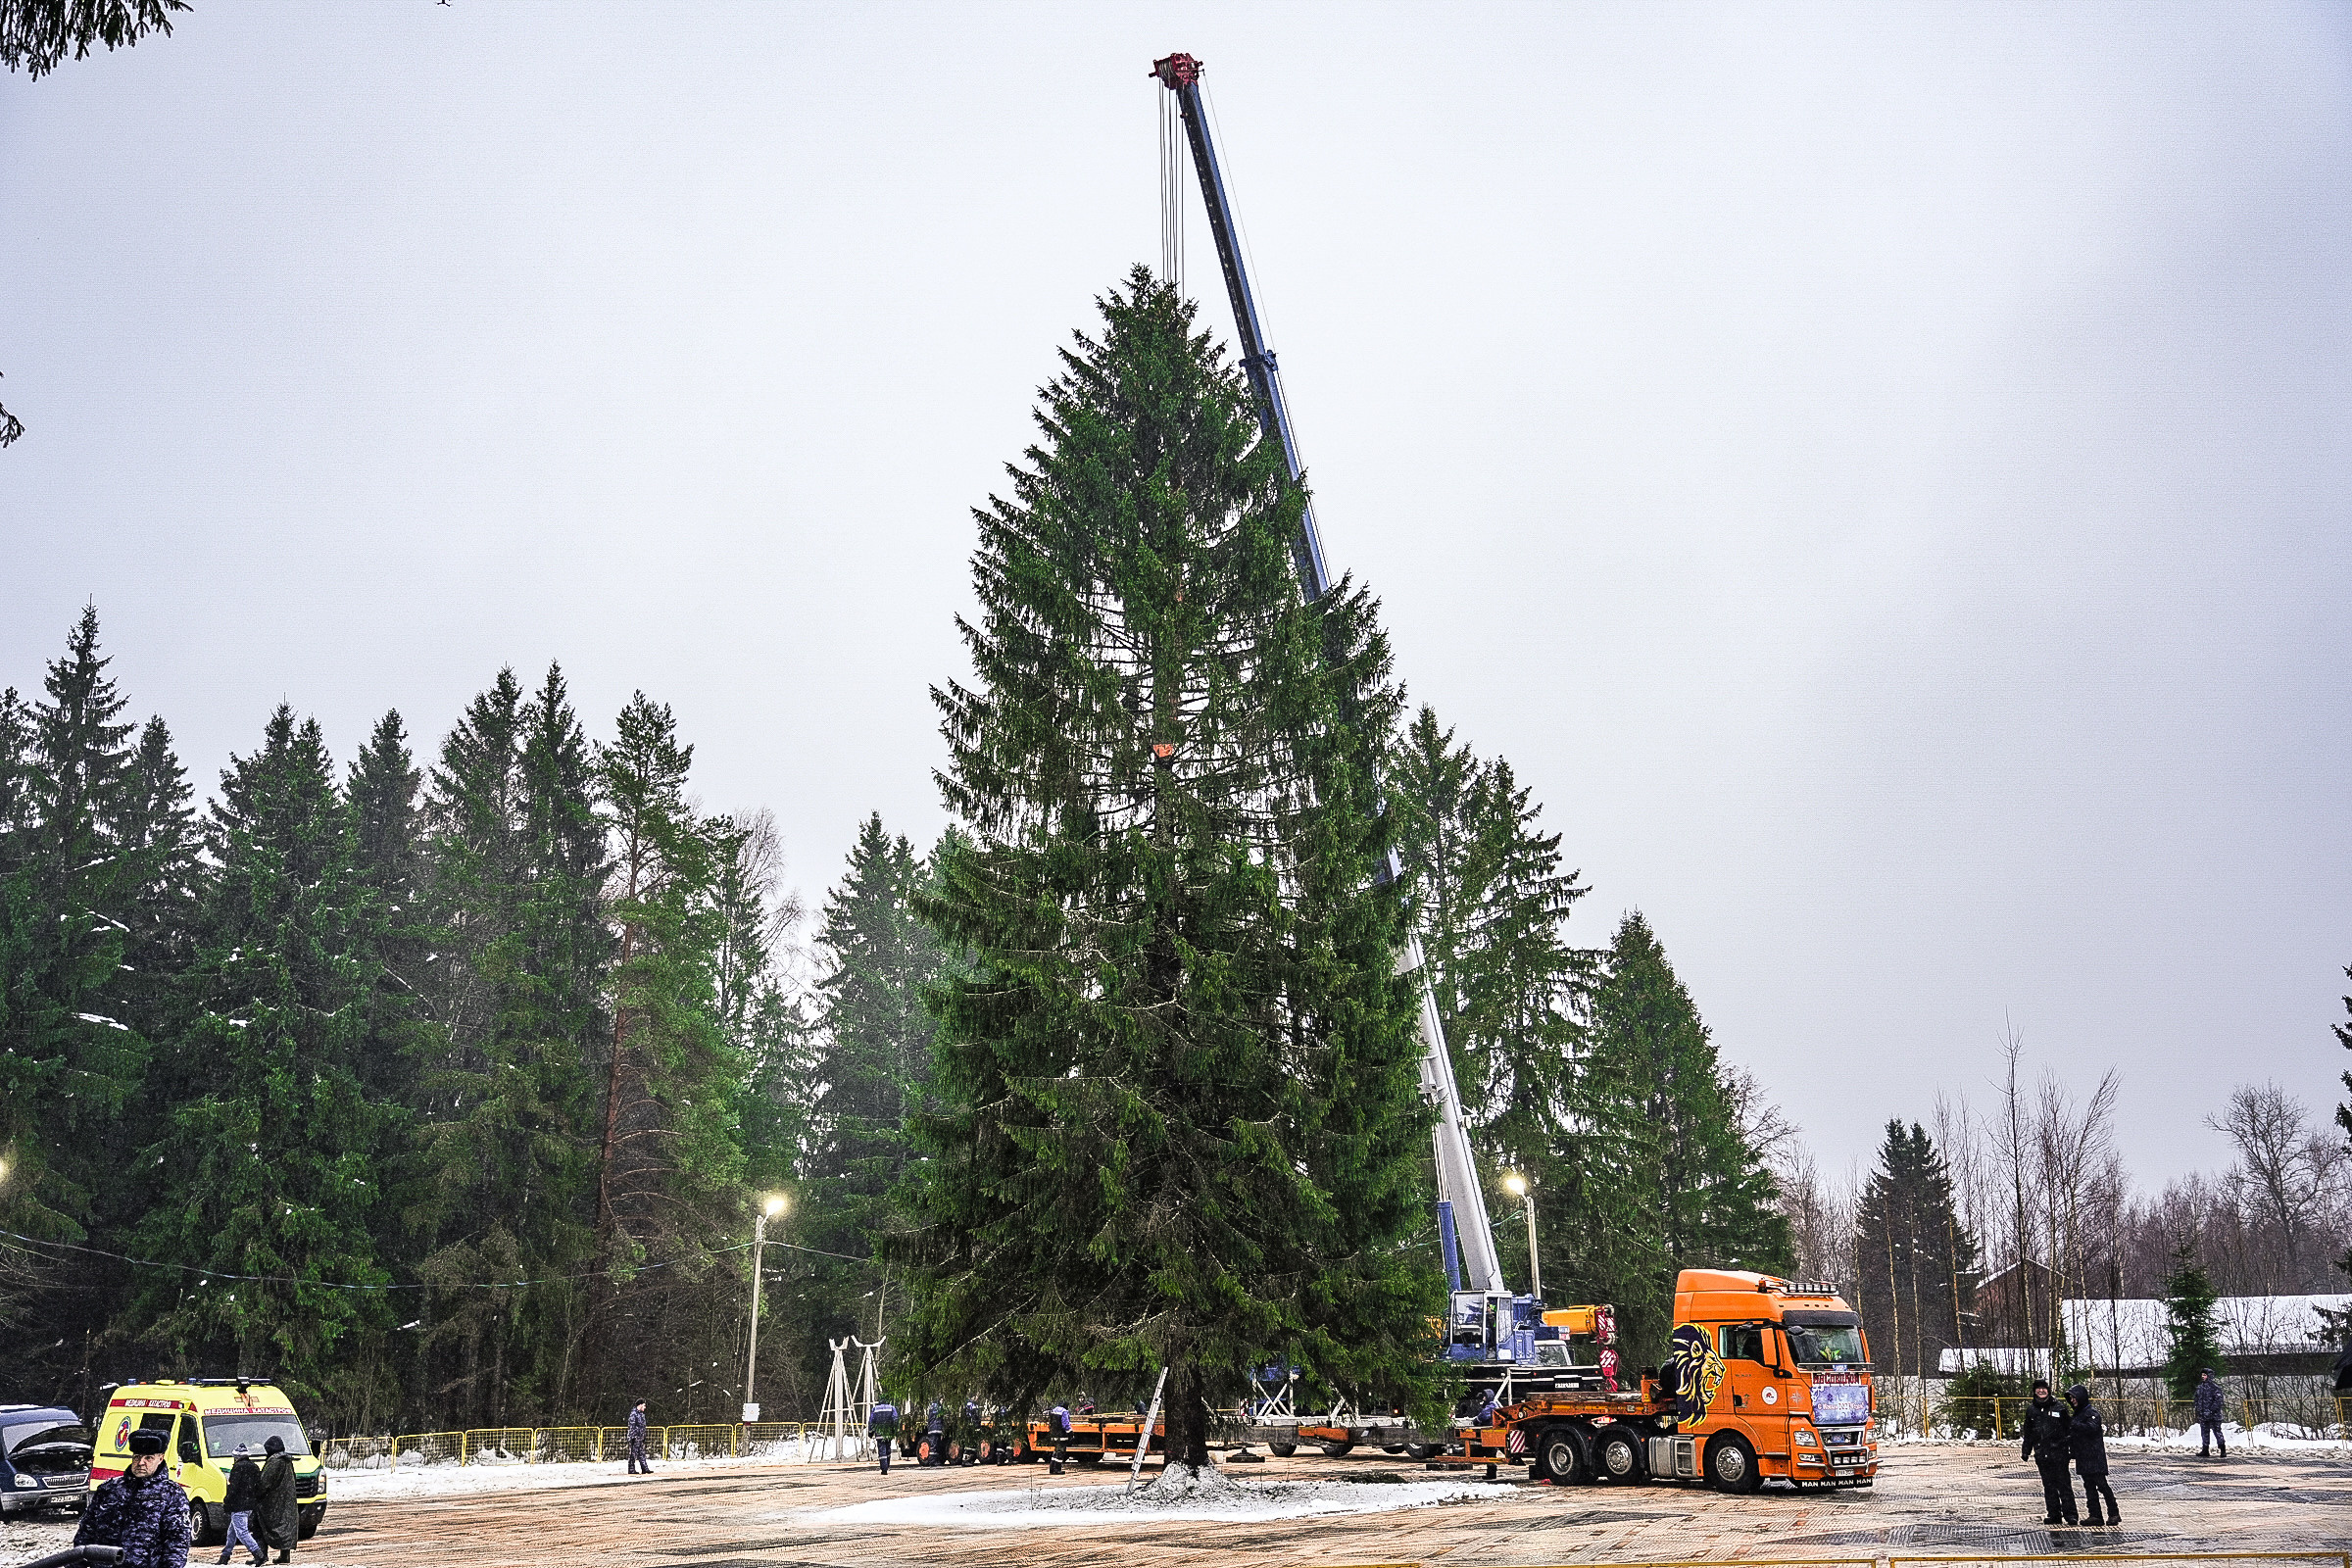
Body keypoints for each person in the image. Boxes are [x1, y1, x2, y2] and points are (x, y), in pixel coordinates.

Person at [75, 1426, 191, 1568]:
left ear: (160, 1459)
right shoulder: (109, 1489)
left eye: (148, 1458)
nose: (141, 1463)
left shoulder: (172, 1494)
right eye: (137, 1457)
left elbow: (177, 1542)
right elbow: (86, 1532)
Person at [2020, 1378, 2077, 1526]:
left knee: (2064, 1484)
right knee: (2049, 1486)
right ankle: (2054, 1514)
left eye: (2044, 1388)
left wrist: (2070, 1448)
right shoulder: (2031, 1410)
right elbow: (2028, 1432)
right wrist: (2026, 1450)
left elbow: (2069, 1429)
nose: (2041, 1391)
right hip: (2041, 1453)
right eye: (2038, 1388)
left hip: (2059, 1453)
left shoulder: (2059, 1408)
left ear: (2048, 1390)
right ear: (2034, 1391)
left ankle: (2070, 1515)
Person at [2065, 1384, 2119, 1527]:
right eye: (2070, 1398)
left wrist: (2073, 1425)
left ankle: (2113, 1513)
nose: (2072, 1400)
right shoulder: (2078, 1414)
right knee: (2089, 1486)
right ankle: (2095, 1515)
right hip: (2083, 1457)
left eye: (2074, 1397)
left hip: (2094, 1456)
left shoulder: (2091, 1413)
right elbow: (2074, 1435)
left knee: (2102, 1485)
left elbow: (2091, 1428)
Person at [218, 1444, 266, 1567]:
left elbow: (233, 1488)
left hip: (238, 1505)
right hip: (250, 1505)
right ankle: (225, 1556)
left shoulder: (238, 1468)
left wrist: (227, 1501)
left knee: (242, 1532)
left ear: (237, 1457)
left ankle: (258, 1554)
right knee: (232, 1532)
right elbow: (258, 1487)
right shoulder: (254, 1467)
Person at [254, 1435, 299, 1564]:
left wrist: (257, 1492)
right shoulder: (287, 1460)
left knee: (262, 1524)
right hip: (287, 1499)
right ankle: (285, 1555)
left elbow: (265, 1483)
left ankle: (261, 1554)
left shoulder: (274, 1461)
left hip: (273, 1501)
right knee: (286, 1526)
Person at [2193, 1368, 2227, 1458]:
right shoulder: (2200, 1388)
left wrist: (2211, 1410)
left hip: (2214, 1416)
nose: (2203, 1377)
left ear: (2209, 1376)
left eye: (2205, 1375)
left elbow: (2218, 1401)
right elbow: (2196, 1399)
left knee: (2217, 1432)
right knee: (2204, 1433)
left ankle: (2222, 1449)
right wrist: (2198, 1409)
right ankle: (2205, 1449)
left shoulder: (2215, 1388)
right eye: (2202, 1375)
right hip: (2203, 1415)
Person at [867, 1396, 899, 1474]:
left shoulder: (875, 1409)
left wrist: (870, 1432)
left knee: (882, 1452)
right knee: (888, 1450)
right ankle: (887, 1466)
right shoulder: (891, 1408)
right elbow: (895, 1419)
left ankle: (884, 1469)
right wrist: (894, 1430)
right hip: (888, 1433)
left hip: (879, 1433)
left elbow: (872, 1421)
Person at [626, 1399, 651, 1475]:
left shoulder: (641, 1414)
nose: (645, 1407)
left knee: (642, 1453)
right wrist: (633, 1436)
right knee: (633, 1454)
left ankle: (644, 1468)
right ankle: (631, 1469)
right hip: (635, 1437)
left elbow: (642, 1427)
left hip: (640, 1437)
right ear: (640, 1405)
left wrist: (643, 1436)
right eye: (644, 1405)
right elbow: (632, 1426)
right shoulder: (634, 1414)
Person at [1048, 1400, 1070, 1476]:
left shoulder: (1053, 1410)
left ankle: (1052, 1468)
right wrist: (1070, 1433)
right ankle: (1057, 1469)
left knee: (1055, 1452)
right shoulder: (1064, 1411)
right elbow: (1065, 1424)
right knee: (1060, 1452)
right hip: (1061, 1435)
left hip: (1054, 1434)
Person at [959, 1399, 983, 1465]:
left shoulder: (968, 1404)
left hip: (970, 1427)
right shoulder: (972, 1405)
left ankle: (969, 1460)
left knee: (971, 1445)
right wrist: (977, 1426)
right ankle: (966, 1460)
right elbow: (975, 1417)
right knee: (969, 1445)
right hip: (972, 1427)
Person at [923, 1399, 945, 1466]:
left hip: (932, 1428)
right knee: (934, 1446)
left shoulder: (932, 1406)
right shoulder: (937, 1406)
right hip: (936, 1428)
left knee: (934, 1445)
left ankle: (935, 1461)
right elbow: (940, 1415)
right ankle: (932, 1461)